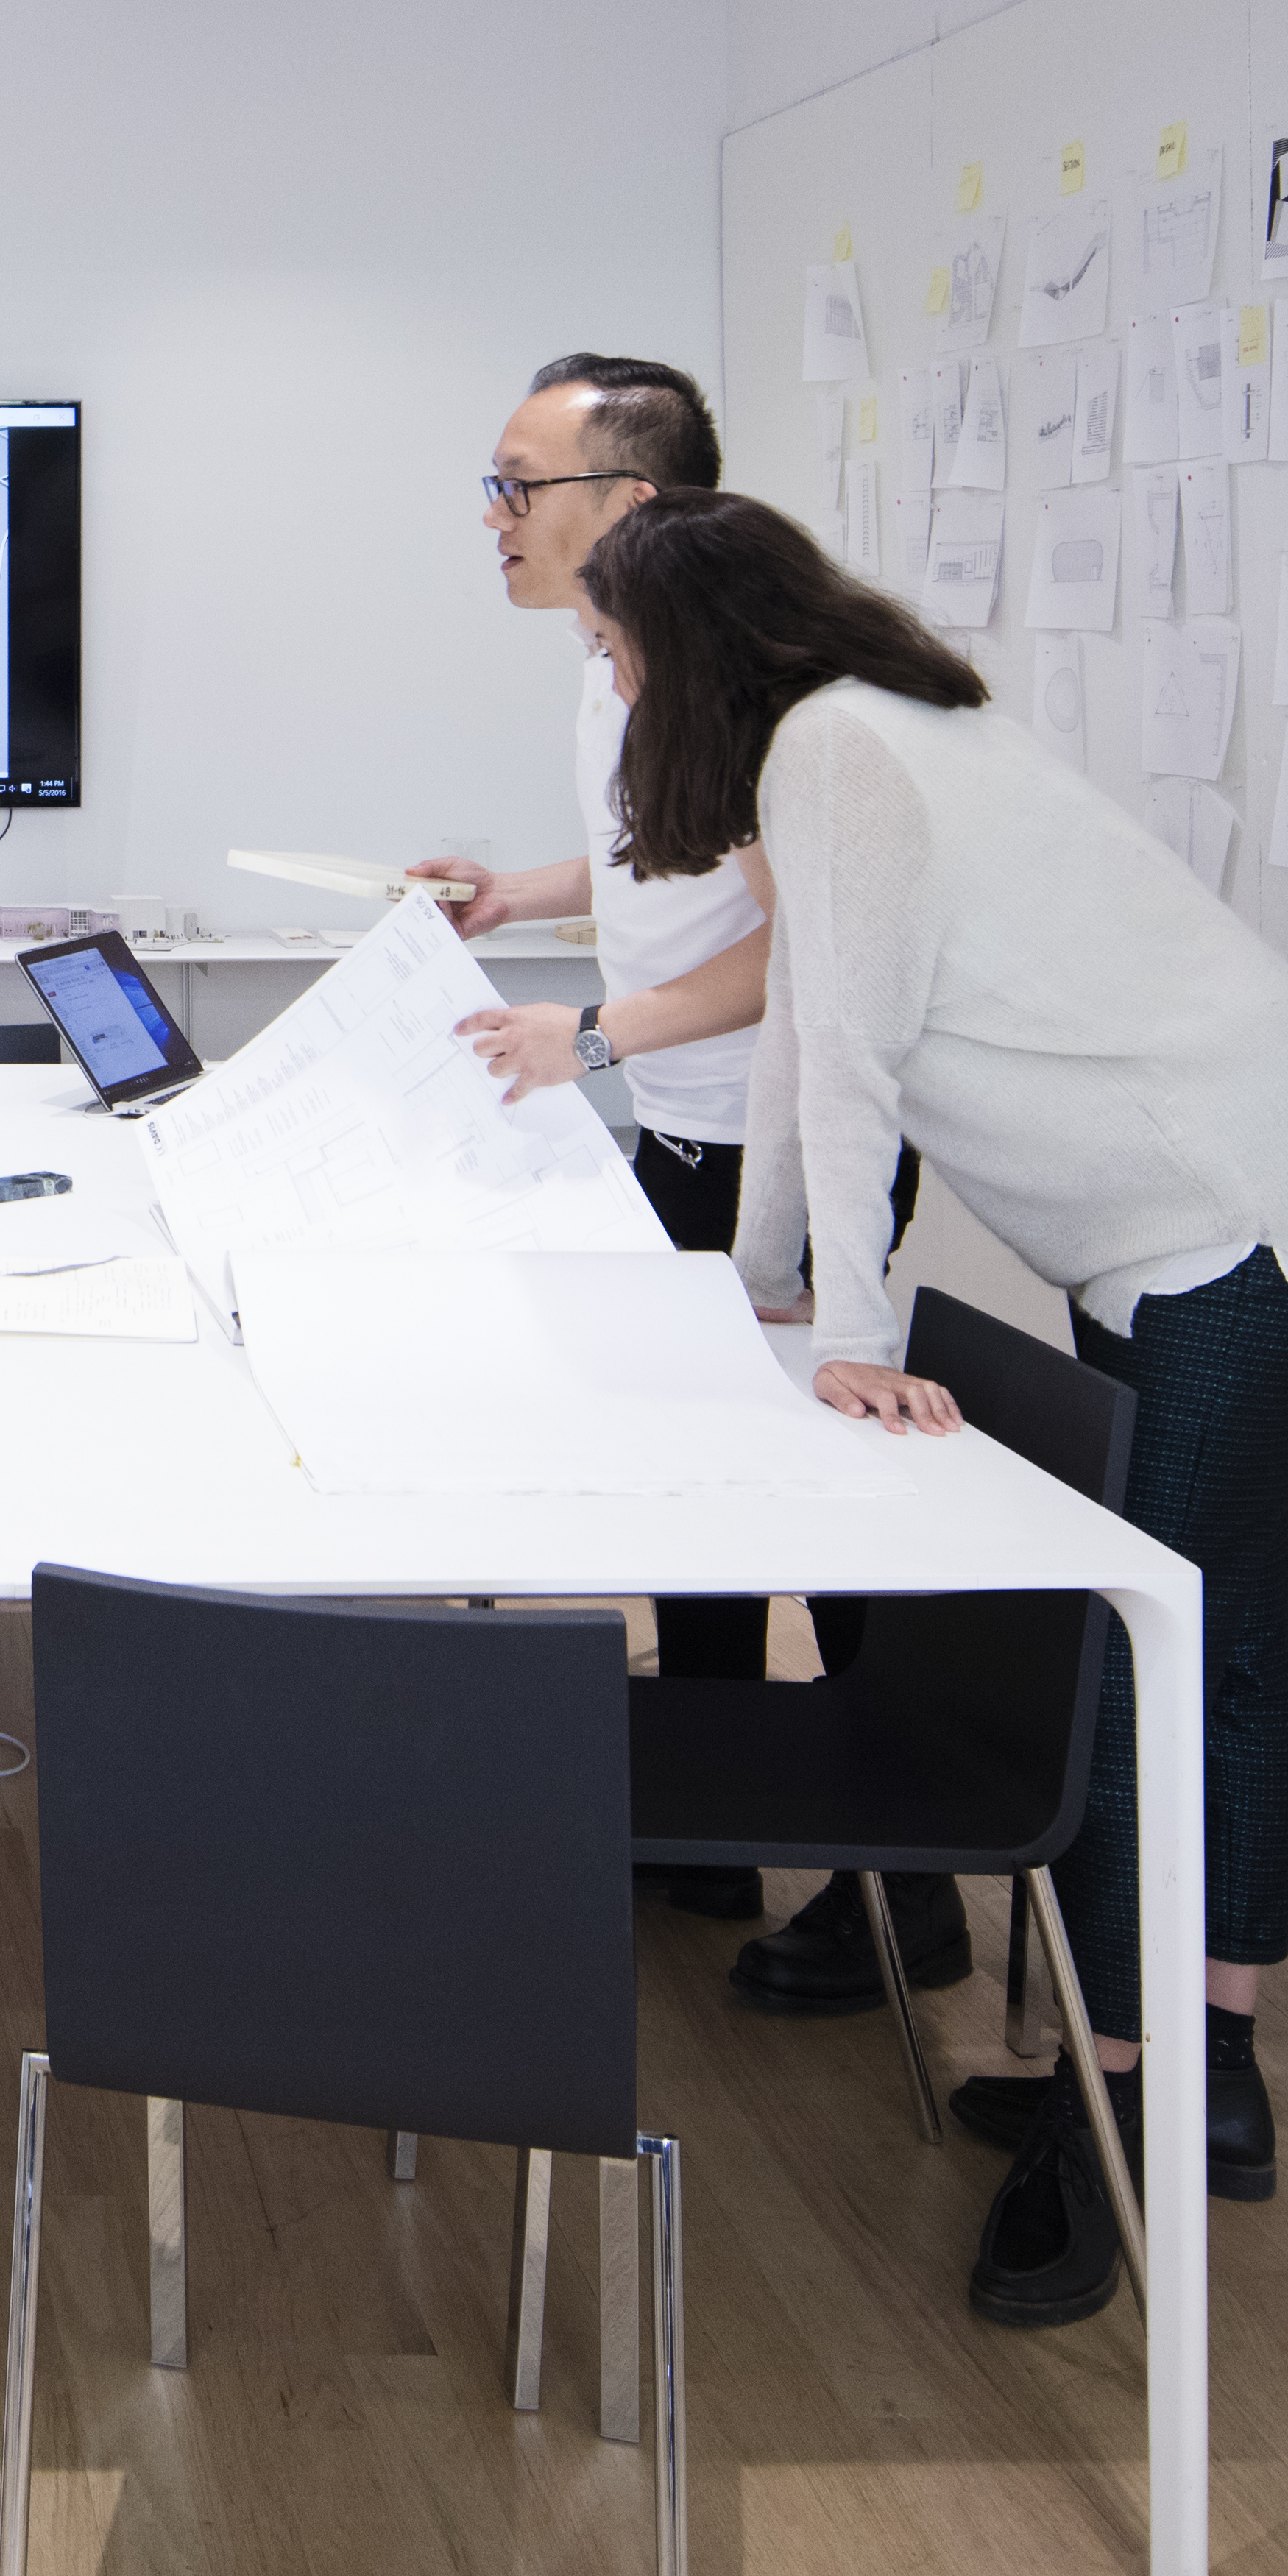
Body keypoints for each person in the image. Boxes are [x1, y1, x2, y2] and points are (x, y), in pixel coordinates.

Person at [573, 489, 1288, 2328]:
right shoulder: (858, 730)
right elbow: (806, 1021)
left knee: (1148, 1654)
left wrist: (848, 1326)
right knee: (1205, 1639)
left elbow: (850, 1060)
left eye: (616, 654)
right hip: (1193, 1211)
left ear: (690, 656)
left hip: (1231, 1215)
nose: (611, 689)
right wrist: (767, 1277)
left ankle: (1124, 2109)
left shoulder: (835, 749)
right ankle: (1197, 2071)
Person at [407, 354, 916, 1986]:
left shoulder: (739, 686)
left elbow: (808, 943)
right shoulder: (608, 657)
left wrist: (594, 1033)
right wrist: (518, 894)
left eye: (519, 484)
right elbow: (661, 851)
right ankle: (705, 1831)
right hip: (687, 1126)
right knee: (698, 1489)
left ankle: (907, 1885)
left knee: (829, 1514)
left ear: (628, 503)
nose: (494, 515)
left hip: (783, 1142)